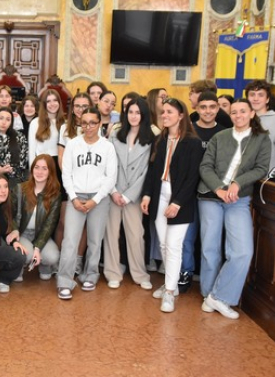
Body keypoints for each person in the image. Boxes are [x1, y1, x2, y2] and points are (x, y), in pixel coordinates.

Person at [198, 98, 271, 319]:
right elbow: (205, 166)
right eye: (234, 112)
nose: (238, 116)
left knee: (242, 251)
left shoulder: (261, 139)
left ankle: (220, 296)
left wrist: (237, 183)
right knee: (210, 250)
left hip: (238, 200)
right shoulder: (220, 137)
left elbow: (261, 168)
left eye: (242, 112)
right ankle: (207, 295)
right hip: (211, 197)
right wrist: (220, 188)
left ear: (251, 114)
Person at [141, 98, 202, 313]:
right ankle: (171, 283)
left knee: (174, 245)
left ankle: (169, 292)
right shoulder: (160, 139)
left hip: (180, 200)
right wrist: (147, 195)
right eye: (163, 112)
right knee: (164, 245)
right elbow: (152, 171)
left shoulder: (192, 143)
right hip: (159, 196)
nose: (165, 115)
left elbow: (192, 177)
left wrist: (177, 203)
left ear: (181, 115)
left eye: (169, 112)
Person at [57, 108, 117, 300]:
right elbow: (66, 173)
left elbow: (111, 177)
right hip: (76, 195)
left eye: (92, 122)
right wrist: (73, 198)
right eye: (84, 123)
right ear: (79, 124)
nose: (88, 127)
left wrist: (95, 200)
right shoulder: (73, 145)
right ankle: (65, 281)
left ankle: (90, 274)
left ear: (100, 123)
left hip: (99, 198)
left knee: (94, 239)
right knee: (70, 241)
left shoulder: (107, 147)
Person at [104, 97, 154, 290]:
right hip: (113, 192)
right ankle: (112, 272)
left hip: (134, 196)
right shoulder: (115, 135)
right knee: (111, 234)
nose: (134, 116)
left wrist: (128, 195)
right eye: (130, 112)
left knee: (136, 235)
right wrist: (114, 191)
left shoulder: (151, 139)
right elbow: (108, 165)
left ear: (144, 115)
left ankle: (140, 274)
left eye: (138, 113)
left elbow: (146, 172)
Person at [178, 92, 225, 293]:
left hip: (211, 194)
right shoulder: (189, 132)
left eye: (212, 107)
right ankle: (186, 271)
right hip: (189, 192)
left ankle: (209, 280)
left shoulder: (225, 133)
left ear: (217, 109)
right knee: (187, 237)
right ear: (197, 109)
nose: (208, 111)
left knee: (210, 240)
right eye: (203, 107)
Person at [58, 92, 92, 273]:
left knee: (84, 224)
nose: (80, 110)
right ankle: (62, 260)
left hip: (89, 185)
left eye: (84, 106)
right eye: (77, 106)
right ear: (72, 109)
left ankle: (78, 260)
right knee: (65, 223)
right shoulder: (65, 128)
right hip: (68, 183)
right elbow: (61, 157)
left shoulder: (95, 128)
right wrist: (71, 180)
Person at [16, 154, 61, 281]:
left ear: (50, 172)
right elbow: (13, 218)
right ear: (32, 169)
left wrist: (38, 248)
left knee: (53, 256)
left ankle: (44, 265)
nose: (39, 172)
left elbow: (49, 226)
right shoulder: (21, 189)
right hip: (22, 234)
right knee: (28, 255)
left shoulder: (55, 195)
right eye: (37, 167)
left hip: (41, 235)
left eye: (44, 168)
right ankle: (18, 266)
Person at [0, 107, 28, 188]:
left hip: (13, 181)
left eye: (8, 119)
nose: (4, 122)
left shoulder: (20, 137)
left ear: (11, 123)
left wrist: (7, 170)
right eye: (1, 118)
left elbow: (23, 164)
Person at [28, 89, 65, 167]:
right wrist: (32, 169)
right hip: (42, 164)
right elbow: (31, 150)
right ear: (44, 104)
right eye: (48, 101)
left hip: (60, 164)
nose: (52, 104)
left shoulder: (65, 123)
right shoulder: (35, 122)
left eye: (55, 100)